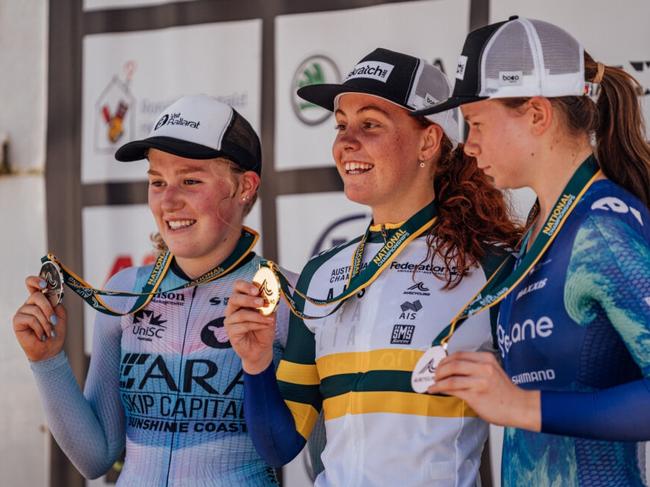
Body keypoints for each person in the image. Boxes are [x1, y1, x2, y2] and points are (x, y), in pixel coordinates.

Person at [224, 48, 521, 487]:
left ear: (428, 141)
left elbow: (539, 415)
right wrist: (256, 362)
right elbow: (280, 445)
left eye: (370, 124)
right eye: (342, 125)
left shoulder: (491, 267)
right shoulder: (321, 274)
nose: (346, 143)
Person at [12, 94, 294, 486]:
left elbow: (307, 460)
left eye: (190, 180)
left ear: (245, 187)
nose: (168, 200)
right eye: (157, 182)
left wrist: (257, 364)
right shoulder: (125, 290)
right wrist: (46, 361)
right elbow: (95, 457)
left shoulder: (285, 298)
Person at [416, 17, 650, 486]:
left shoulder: (602, 226)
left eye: (478, 122)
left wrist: (520, 405)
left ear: (538, 115)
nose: (469, 143)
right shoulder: (538, 232)